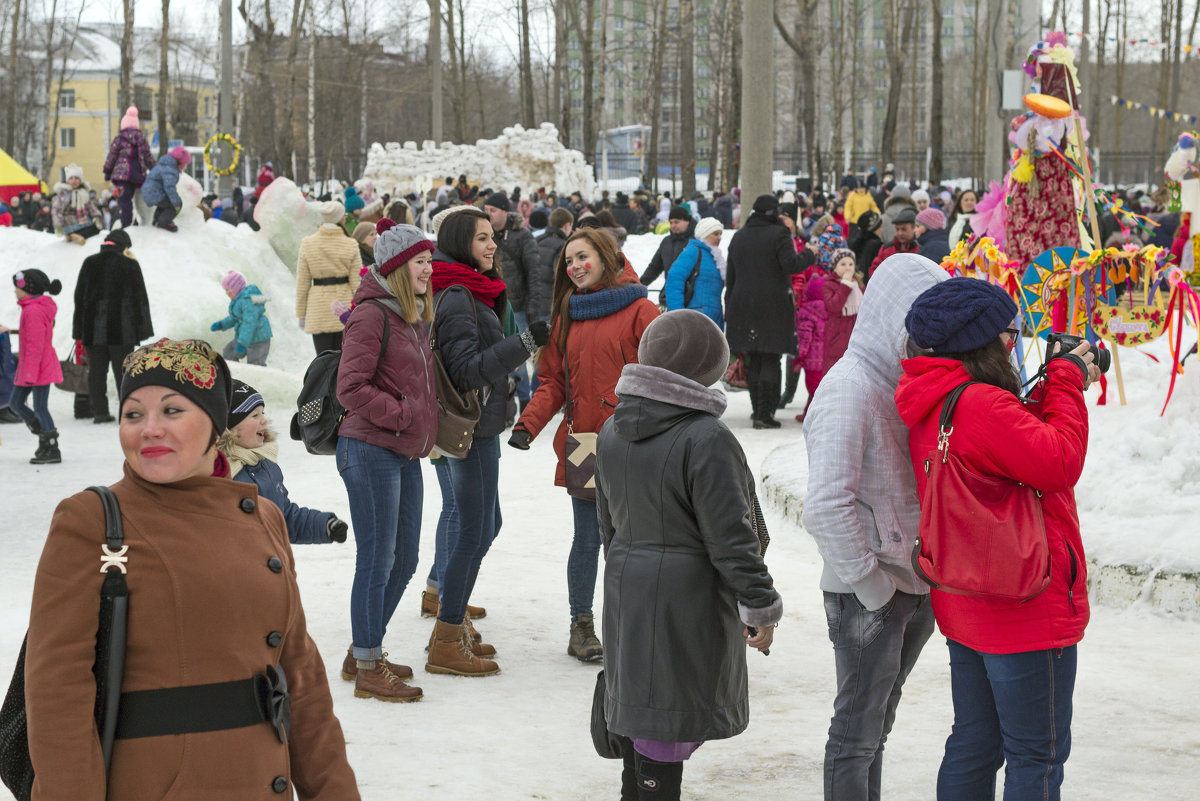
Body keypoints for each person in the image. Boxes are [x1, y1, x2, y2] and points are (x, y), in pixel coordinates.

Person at [24, 338, 360, 798]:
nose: (149, 429)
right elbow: (57, 694)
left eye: (172, 411)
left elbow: (302, 684)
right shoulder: (91, 521)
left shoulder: (264, 518)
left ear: (214, 420)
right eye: (133, 414)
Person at [895, 277, 1096, 801]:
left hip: (966, 602)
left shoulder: (937, 398)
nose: (1016, 344)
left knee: (975, 742)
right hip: (1023, 606)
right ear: (984, 342)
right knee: (1036, 753)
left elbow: (1012, 452)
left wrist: (1053, 384)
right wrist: (1068, 382)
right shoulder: (983, 405)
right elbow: (1057, 461)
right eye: (1011, 334)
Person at [595, 310, 781, 801]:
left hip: (627, 594)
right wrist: (759, 605)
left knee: (644, 728)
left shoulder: (613, 428)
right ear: (708, 368)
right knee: (665, 732)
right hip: (684, 603)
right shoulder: (706, 437)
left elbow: (607, 527)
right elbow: (733, 538)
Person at [800, 253, 947, 801]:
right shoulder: (849, 388)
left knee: (877, 728)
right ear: (892, 315)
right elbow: (826, 505)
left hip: (908, 582)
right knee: (856, 735)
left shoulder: (899, 380)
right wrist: (872, 585)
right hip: (868, 592)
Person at [508, 228, 658, 662]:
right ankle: (582, 627)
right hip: (583, 443)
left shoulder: (642, 310)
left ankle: (631, 626)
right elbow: (552, 380)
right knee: (587, 538)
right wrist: (528, 424)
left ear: (607, 255)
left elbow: (661, 373)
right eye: (568, 260)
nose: (574, 266)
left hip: (634, 443)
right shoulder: (566, 316)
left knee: (634, 540)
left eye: (582, 256)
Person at [427, 207, 550, 676]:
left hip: (481, 423)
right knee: (474, 529)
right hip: (471, 427)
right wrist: (523, 344)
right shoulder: (458, 294)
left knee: (484, 523)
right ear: (461, 242)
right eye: (482, 238)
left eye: (492, 236)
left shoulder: (473, 288)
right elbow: (465, 370)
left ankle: (451, 619)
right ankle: (447, 635)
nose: (492, 245)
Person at [335, 220, 439, 701]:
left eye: (429, 260)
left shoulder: (411, 316)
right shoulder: (372, 314)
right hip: (369, 447)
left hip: (401, 450)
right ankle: (370, 664)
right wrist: (402, 414)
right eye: (421, 261)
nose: (428, 269)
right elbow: (350, 387)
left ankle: (365, 649)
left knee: (406, 557)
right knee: (377, 557)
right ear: (398, 266)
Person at [218, 379, 348, 546]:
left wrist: (325, 525)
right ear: (231, 429)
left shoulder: (266, 464)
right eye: (255, 415)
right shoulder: (218, 472)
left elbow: (283, 517)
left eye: (263, 412)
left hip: (270, 566)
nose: (264, 420)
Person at [725, 194, 803, 428]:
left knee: (754, 359)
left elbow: (731, 276)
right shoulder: (779, 234)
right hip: (773, 307)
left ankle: (757, 410)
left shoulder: (739, 236)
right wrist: (810, 254)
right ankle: (765, 414)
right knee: (770, 357)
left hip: (743, 306)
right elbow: (791, 265)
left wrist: (730, 306)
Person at [72, 229, 153, 423]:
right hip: (123, 330)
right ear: (123, 246)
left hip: (93, 329)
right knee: (124, 372)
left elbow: (79, 299)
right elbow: (140, 299)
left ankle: (100, 412)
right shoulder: (130, 265)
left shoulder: (89, 263)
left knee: (97, 371)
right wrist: (143, 330)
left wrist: (78, 331)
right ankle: (127, 413)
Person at [483, 191, 542, 409]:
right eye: (486, 209)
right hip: (492, 302)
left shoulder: (522, 236)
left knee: (519, 354)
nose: (488, 214)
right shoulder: (485, 234)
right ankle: (506, 400)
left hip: (517, 304)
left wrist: (533, 307)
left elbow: (534, 273)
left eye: (493, 210)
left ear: (505, 212)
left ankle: (525, 399)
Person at [2, 269, 64, 463]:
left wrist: (29, 373)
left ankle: (51, 448)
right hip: (31, 368)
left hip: (39, 368)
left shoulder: (34, 310)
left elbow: (35, 346)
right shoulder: (30, 308)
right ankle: (43, 434)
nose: (14, 291)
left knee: (40, 408)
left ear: (28, 288)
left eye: (16, 287)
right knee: (16, 403)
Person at [296, 200, 362, 354]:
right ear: (341, 218)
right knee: (344, 359)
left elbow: (303, 282)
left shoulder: (308, 243)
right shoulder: (350, 244)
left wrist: (301, 313)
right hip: (344, 307)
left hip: (318, 308)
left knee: (323, 360)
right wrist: (361, 309)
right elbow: (357, 282)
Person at [664, 217, 725, 328]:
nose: (719, 238)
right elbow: (674, 278)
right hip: (695, 319)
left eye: (720, 234)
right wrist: (678, 314)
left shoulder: (715, 257)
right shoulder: (694, 251)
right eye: (715, 234)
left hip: (713, 321)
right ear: (705, 234)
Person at [103, 106, 155, 228]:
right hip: (138, 175)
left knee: (124, 199)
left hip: (122, 175)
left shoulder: (120, 139)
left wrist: (107, 171)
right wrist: (155, 168)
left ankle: (126, 223)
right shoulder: (142, 139)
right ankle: (141, 220)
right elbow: (148, 156)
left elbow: (112, 156)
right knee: (137, 198)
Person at [210, 270, 272, 366]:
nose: (226, 293)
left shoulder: (247, 302)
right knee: (229, 352)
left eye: (227, 289)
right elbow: (235, 318)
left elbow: (249, 323)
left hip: (259, 340)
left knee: (255, 364)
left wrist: (242, 343)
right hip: (246, 338)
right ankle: (235, 374)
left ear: (235, 287)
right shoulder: (238, 301)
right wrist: (222, 324)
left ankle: (258, 379)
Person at [639, 206, 694, 286]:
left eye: (676, 222)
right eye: (671, 222)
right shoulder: (666, 242)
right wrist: (639, 285)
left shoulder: (695, 242)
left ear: (687, 221)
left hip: (691, 295)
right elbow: (654, 267)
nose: (673, 226)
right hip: (669, 293)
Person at [141, 146, 192, 232]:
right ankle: (164, 223)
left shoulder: (165, 166)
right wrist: (176, 201)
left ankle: (157, 220)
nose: (185, 167)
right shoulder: (170, 169)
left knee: (165, 203)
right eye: (185, 164)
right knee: (175, 205)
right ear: (180, 163)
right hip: (154, 193)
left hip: (149, 192)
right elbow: (169, 187)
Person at [51, 163, 103, 243]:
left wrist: (96, 216)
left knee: (96, 231)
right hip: (70, 223)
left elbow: (90, 207)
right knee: (84, 233)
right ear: (67, 180)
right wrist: (58, 225)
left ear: (80, 180)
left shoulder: (84, 193)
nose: (74, 180)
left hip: (85, 222)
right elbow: (57, 211)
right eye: (71, 178)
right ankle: (72, 236)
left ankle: (76, 236)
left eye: (76, 178)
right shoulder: (63, 194)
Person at [869, 206, 920, 277]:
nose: (899, 233)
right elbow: (874, 269)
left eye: (904, 229)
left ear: (914, 228)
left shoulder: (920, 249)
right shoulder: (886, 248)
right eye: (897, 229)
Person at [849, 210, 883, 282]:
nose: (881, 229)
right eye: (880, 226)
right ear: (874, 228)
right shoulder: (876, 245)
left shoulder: (853, 242)